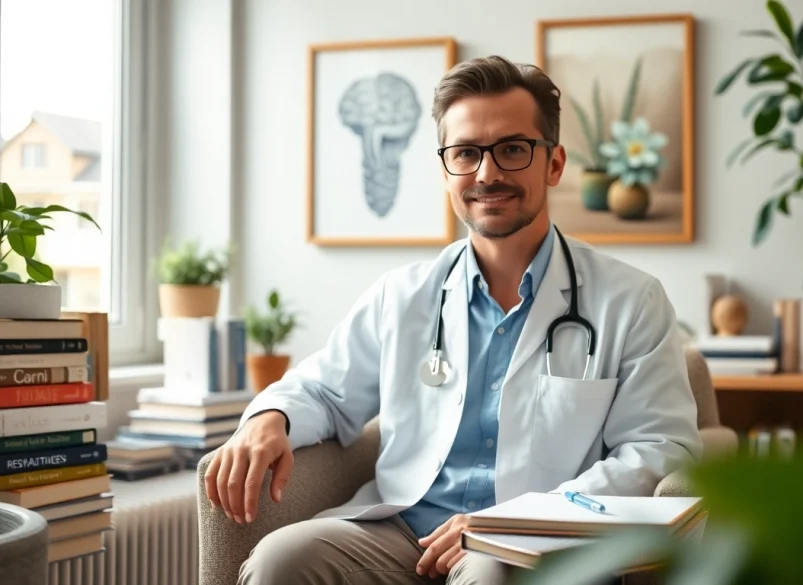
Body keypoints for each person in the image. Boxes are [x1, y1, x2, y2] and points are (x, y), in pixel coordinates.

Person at [204, 55, 702, 585]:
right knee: (281, 559)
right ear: (446, 170)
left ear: (554, 164)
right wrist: (270, 417)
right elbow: (323, 390)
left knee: (489, 571)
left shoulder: (631, 300)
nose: (487, 174)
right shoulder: (402, 295)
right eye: (466, 153)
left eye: (513, 149)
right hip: (402, 532)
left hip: (528, 539)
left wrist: (518, 521)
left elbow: (659, 450)